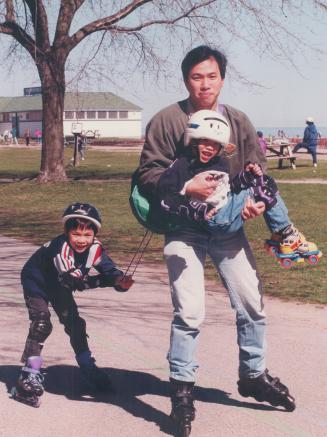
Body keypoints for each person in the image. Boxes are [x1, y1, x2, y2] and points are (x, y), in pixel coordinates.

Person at [136, 45, 295, 435]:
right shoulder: (167, 120)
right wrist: (186, 184)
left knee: (253, 305)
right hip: (183, 229)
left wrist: (256, 204)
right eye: (196, 76)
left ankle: (253, 375)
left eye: (211, 76)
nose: (204, 84)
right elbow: (147, 174)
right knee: (189, 313)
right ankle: (182, 389)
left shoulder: (238, 121)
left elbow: (257, 172)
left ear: (222, 78)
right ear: (185, 79)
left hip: (228, 228)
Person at [11, 203, 134, 407]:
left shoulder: (95, 249)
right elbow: (77, 283)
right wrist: (108, 282)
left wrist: (121, 281)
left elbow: (109, 271)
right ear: (66, 232)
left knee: (75, 324)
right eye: (76, 234)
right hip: (37, 281)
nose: (81, 240)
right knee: (42, 323)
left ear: (95, 234)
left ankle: (87, 367)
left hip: (58, 284)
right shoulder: (62, 250)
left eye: (87, 234)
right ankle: (28, 375)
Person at [156, 110, 320, 261]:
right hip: (215, 219)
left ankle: (280, 235)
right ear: (193, 139)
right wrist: (193, 208)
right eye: (204, 141)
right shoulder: (183, 165)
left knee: (263, 181)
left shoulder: (220, 163)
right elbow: (165, 196)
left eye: (215, 144)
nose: (209, 148)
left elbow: (228, 189)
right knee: (261, 185)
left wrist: (246, 176)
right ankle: (287, 233)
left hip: (226, 214)